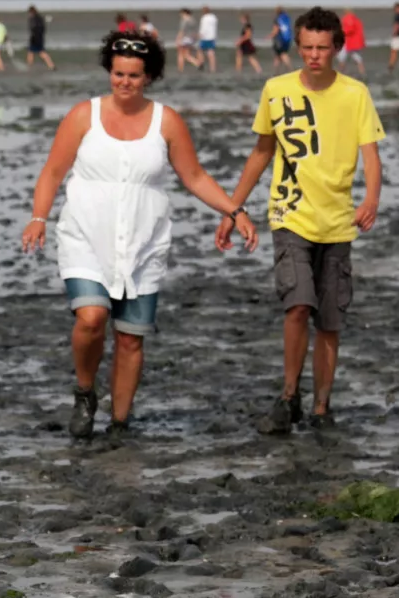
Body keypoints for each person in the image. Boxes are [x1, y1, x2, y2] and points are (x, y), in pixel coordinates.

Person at [21, 31, 257, 443]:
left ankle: (119, 423)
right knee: (91, 318)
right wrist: (38, 217)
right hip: (85, 238)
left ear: (148, 76)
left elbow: (195, 177)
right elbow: (52, 172)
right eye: (117, 74)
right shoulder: (83, 116)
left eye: (133, 75)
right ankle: (84, 392)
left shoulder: (167, 122)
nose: (124, 82)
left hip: (143, 244)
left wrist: (234, 211)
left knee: (130, 340)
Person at [223, 7, 384, 433]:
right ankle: (288, 396)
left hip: (337, 223)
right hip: (290, 215)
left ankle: (321, 407)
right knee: (297, 306)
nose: (314, 55)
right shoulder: (276, 89)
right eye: (307, 48)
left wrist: (371, 198)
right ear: (299, 47)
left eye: (322, 48)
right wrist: (233, 207)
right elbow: (262, 152)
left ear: (336, 48)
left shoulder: (355, 94)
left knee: (330, 321)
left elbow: (371, 154)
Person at [26, 5, 55, 70]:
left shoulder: (32, 19)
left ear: (31, 12)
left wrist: (33, 36)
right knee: (42, 52)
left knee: (31, 53)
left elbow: (32, 28)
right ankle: (51, 65)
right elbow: (43, 28)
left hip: (35, 38)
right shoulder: (40, 18)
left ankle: (29, 66)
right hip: (40, 38)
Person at [338, 8, 366, 75]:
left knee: (342, 58)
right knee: (358, 59)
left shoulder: (348, 19)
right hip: (355, 43)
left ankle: (340, 74)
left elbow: (349, 29)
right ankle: (363, 74)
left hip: (348, 42)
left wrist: (340, 33)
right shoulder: (356, 19)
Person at [198, 6, 219, 73]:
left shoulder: (204, 18)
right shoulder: (214, 17)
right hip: (212, 37)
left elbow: (203, 28)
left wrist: (200, 34)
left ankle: (201, 63)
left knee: (200, 50)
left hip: (205, 37)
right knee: (211, 53)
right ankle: (213, 68)